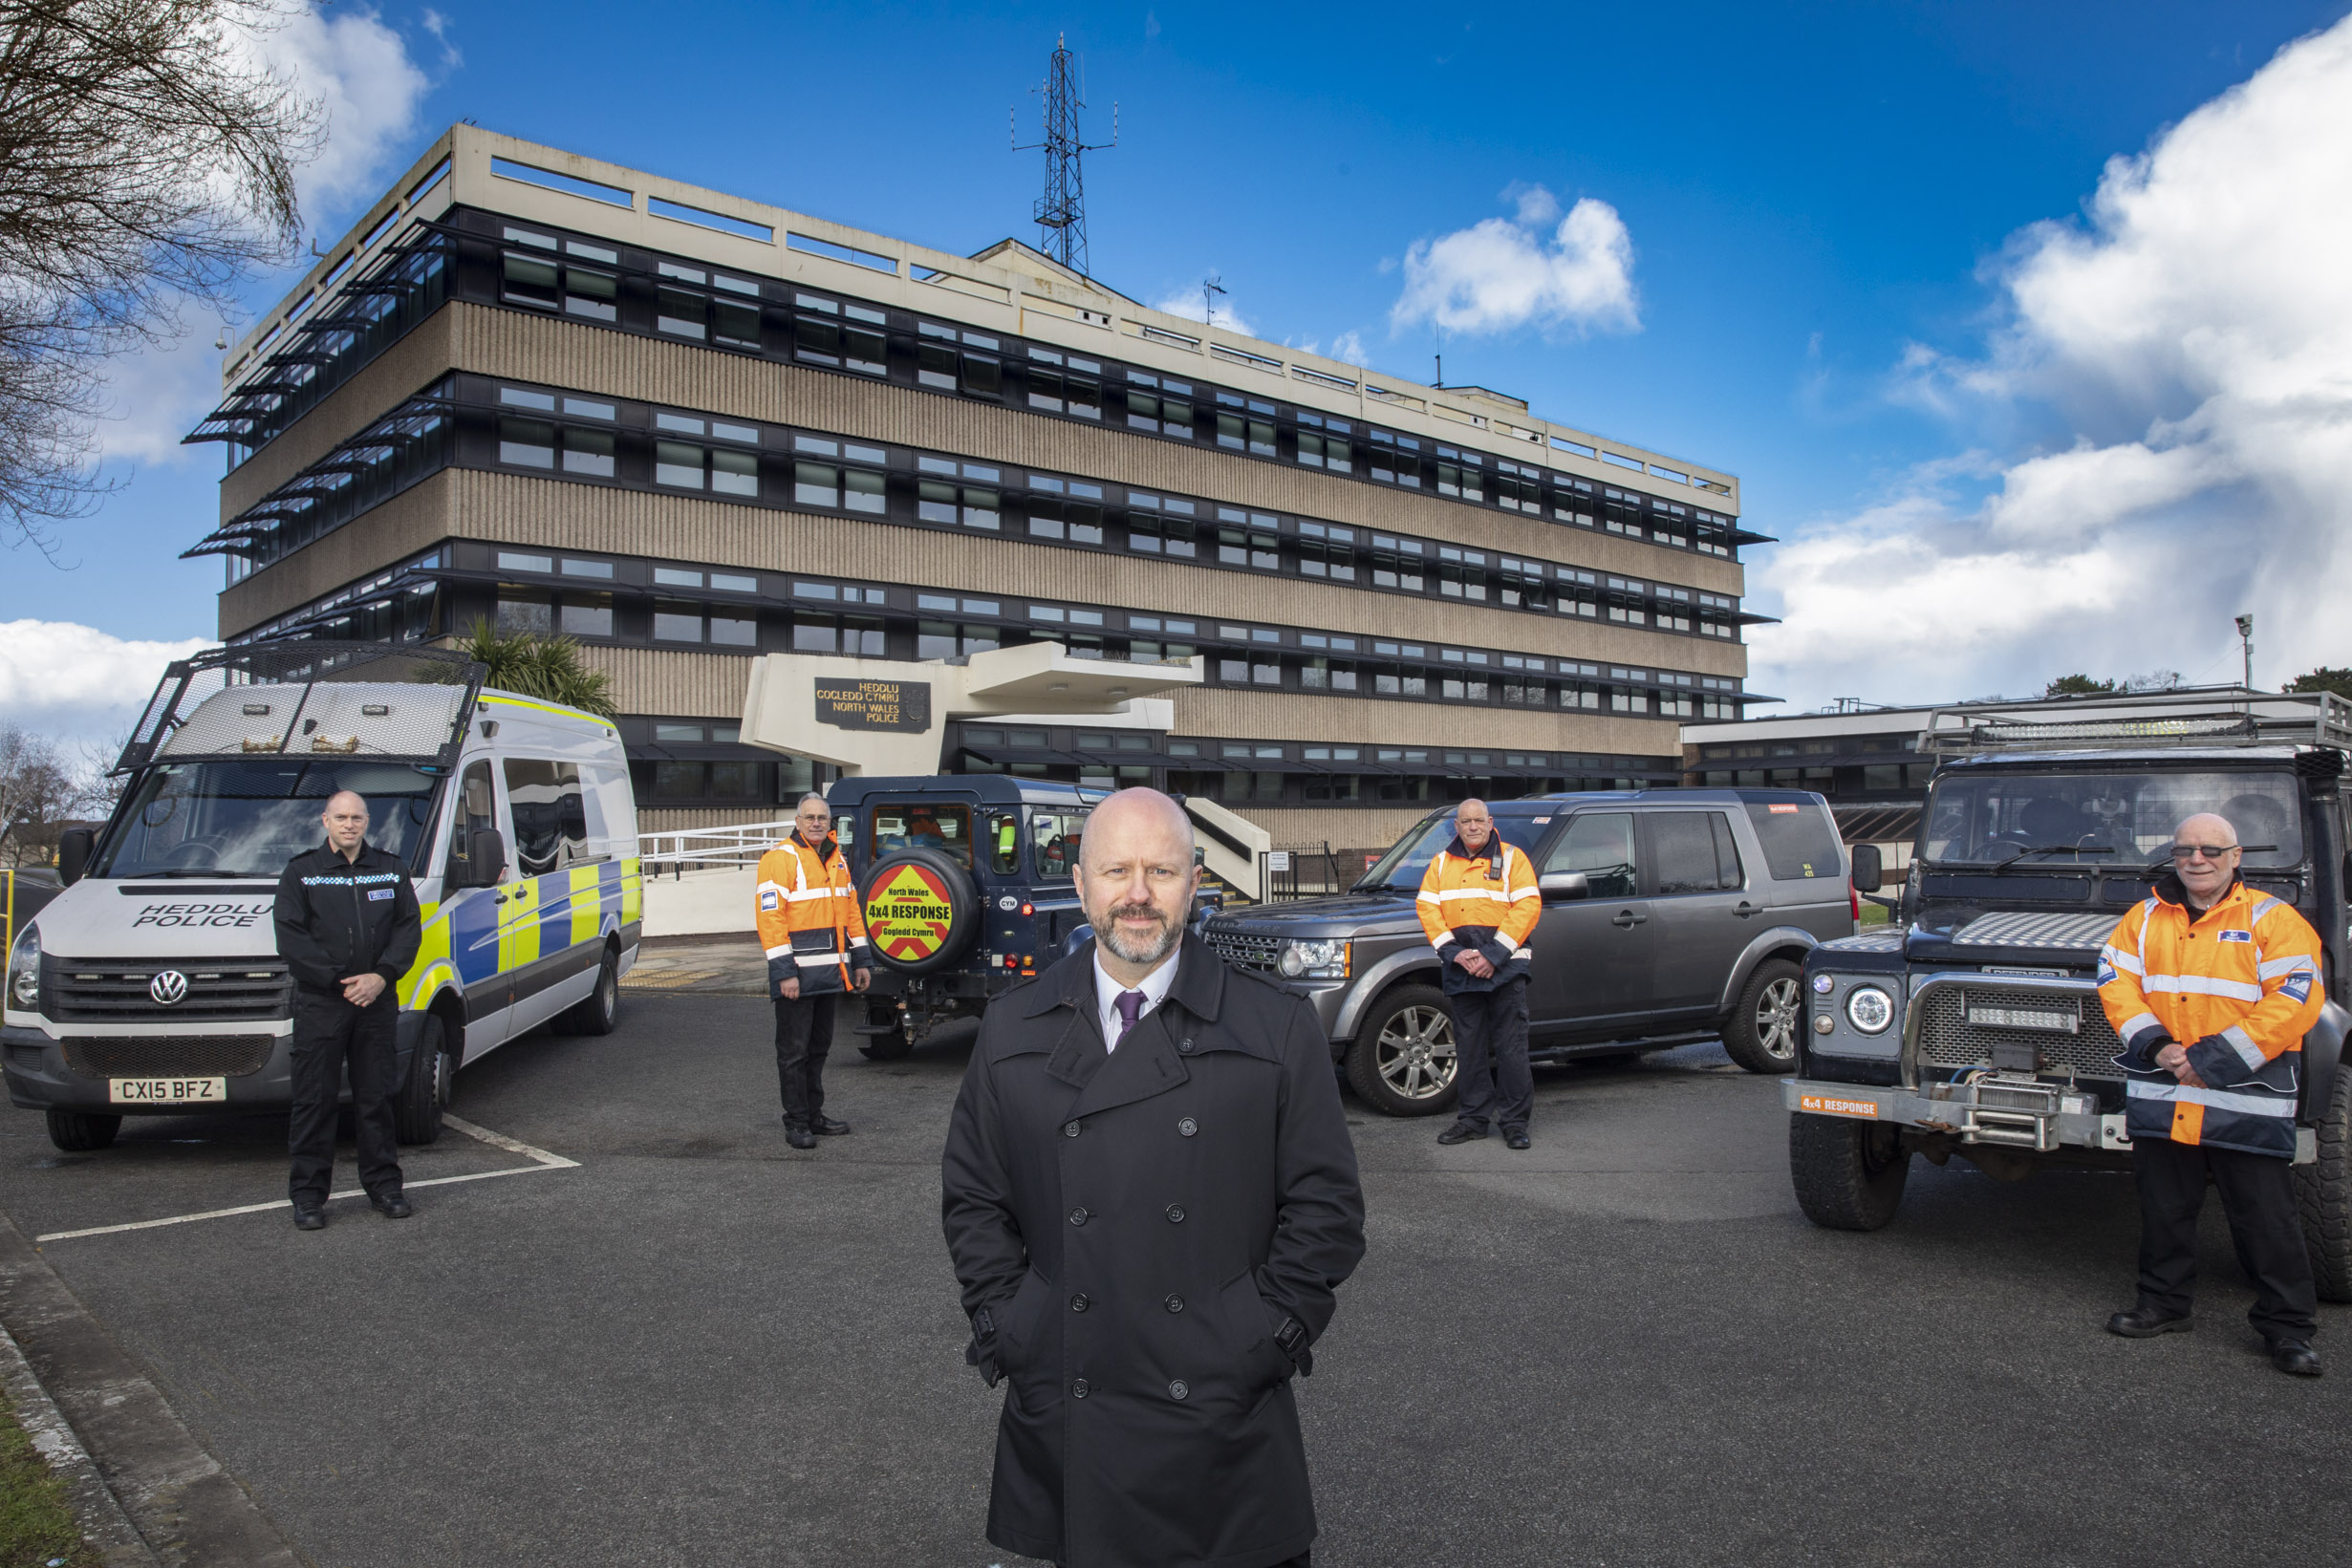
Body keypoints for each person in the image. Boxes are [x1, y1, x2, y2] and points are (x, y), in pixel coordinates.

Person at [941, 788, 1365, 1568]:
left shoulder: (1272, 1024)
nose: (1137, 893)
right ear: (1079, 884)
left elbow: (1327, 1207)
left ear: (1195, 882)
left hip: (1221, 1406)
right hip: (1075, 1387)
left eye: (1160, 870)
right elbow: (974, 1197)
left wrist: (1263, 1335)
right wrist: (1016, 1323)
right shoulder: (1012, 1026)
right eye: (1117, 869)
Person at [2098, 811, 2324, 1376]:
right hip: (2166, 1090)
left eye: (2211, 850)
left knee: (2266, 1219)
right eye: (2185, 850)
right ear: (2173, 857)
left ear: (2236, 856)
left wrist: (2211, 1059)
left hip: (2242, 1095)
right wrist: (2158, 1047)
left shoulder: (2274, 919)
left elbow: (2297, 997)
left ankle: (2287, 1329)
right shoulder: (2143, 918)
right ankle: (2162, 1304)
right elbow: (2114, 981)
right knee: (2164, 1211)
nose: (2197, 859)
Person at [273, 789, 422, 1231]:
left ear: (367, 821)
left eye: (357, 817)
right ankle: (308, 1197)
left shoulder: (391, 871)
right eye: (341, 817)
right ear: (325, 821)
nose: (349, 824)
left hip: (376, 1000)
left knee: (375, 1098)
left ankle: (385, 1187)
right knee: (313, 1101)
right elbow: (291, 938)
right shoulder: (303, 872)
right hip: (323, 1003)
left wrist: (381, 976)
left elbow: (408, 929)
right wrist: (340, 982)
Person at [1417, 798, 1542, 1149]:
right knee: (1469, 1050)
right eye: (1465, 821)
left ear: (1490, 822)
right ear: (1455, 826)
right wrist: (1456, 954)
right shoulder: (1441, 864)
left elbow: (1528, 906)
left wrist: (1493, 955)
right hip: (1463, 968)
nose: (1472, 826)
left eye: (1478, 820)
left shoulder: (1514, 859)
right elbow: (1427, 909)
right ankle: (1473, 1120)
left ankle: (1515, 1124)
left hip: (1506, 968)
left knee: (1511, 1049)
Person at [755, 792, 870, 1150]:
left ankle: (814, 1115)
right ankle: (797, 1122)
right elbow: (769, 919)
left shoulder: (837, 859)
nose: (817, 823)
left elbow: (851, 912)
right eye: (810, 817)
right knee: (793, 1052)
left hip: (830, 974)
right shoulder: (779, 859)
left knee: (819, 1048)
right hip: (796, 977)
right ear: (797, 822)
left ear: (830, 822)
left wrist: (862, 960)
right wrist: (784, 972)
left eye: (822, 817)